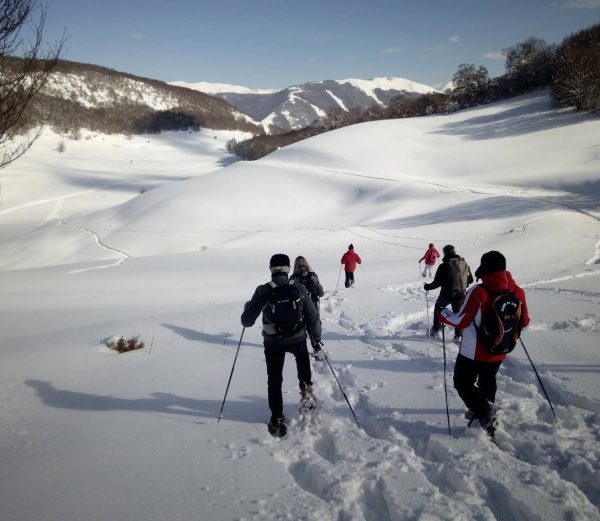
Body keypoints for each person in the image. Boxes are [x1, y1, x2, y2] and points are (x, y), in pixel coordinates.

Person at [439, 251, 530, 436]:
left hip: (472, 351)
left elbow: (460, 321)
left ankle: (485, 411)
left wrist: (443, 313)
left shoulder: (479, 291)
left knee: (462, 383)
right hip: (500, 348)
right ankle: (486, 416)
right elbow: (525, 321)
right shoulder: (517, 291)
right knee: (488, 381)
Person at [241, 253, 322, 438]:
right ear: (287, 269)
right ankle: (306, 391)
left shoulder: (263, 290)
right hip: (297, 337)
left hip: (273, 342)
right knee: (302, 361)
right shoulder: (299, 288)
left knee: (275, 379)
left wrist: (248, 309)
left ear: (271, 269)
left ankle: (277, 419)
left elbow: (247, 321)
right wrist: (316, 337)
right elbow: (313, 317)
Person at [423, 244, 473, 341]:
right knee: (458, 315)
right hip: (461, 294)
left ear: (445, 253)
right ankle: (458, 336)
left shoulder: (443, 266)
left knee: (438, 309)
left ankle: (436, 330)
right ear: (454, 252)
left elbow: (437, 283)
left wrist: (427, 286)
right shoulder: (463, 263)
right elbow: (470, 280)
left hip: (446, 295)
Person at [290, 256, 325, 360]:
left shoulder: (293, 278)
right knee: (313, 327)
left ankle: (301, 351)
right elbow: (321, 293)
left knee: (300, 329)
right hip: (312, 306)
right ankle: (316, 348)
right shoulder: (312, 275)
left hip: (298, 308)